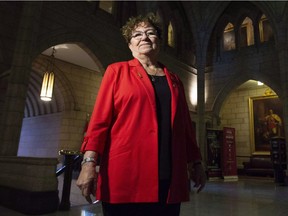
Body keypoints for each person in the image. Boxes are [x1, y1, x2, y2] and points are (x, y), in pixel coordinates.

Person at [76, 13, 206, 216]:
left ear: (159, 41)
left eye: (150, 33)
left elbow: (185, 128)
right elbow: (99, 122)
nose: (144, 37)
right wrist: (88, 163)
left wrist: (196, 162)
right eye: (137, 34)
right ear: (130, 45)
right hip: (126, 176)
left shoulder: (175, 80)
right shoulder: (116, 71)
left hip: (168, 178)